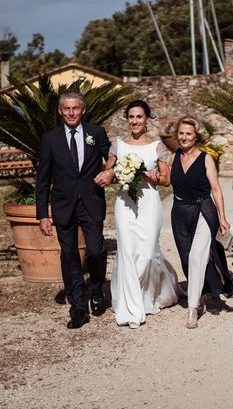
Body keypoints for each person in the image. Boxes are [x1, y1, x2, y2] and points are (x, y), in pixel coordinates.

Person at [36, 92, 114, 329]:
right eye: (66, 109)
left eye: (76, 109)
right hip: (63, 205)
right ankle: (78, 308)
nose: (71, 113)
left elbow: (113, 156)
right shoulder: (50, 139)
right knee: (69, 255)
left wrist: (110, 172)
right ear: (60, 111)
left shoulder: (96, 133)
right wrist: (42, 214)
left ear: (83, 110)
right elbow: (43, 178)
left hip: (91, 202)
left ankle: (98, 288)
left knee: (97, 251)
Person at [104, 100, 180, 329]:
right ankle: (131, 306)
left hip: (149, 203)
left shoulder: (157, 147)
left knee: (147, 255)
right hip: (125, 204)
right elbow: (108, 174)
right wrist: (121, 174)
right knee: (127, 253)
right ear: (127, 119)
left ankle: (148, 296)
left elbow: (166, 181)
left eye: (139, 117)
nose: (135, 121)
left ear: (147, 119)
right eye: (131, 117)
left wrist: (151, 176)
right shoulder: (117, 145)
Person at [170, 115, 233, 329]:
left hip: (203, 211)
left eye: (188, 133)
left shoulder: (206, 158)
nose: (184, 137)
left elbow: (216, 190)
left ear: (196, 136)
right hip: (179, 212)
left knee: (197, 256)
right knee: (186, 259)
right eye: (181, 133)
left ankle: (192, 309)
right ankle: (199, 295)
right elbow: (164, 181)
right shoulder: (173, 158)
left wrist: (223, 217)